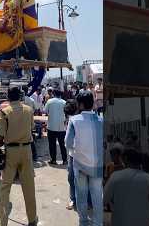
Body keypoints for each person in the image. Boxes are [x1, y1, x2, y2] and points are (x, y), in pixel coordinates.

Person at [0, 87, 38, 226]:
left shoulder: (5, 112)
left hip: (10, 152)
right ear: (20, 97)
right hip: (26, 150)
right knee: (29, 186)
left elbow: (0, 136)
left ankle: (3, 223)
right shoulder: (29, 110)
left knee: (4, 187)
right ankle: (32, 220)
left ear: (8, 97)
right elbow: (31, 128)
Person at [65, 91, 104, 226]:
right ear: (93, 104)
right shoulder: (101, 120)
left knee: (81, 195)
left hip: (80, 164)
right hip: (98, 165)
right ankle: (98, 223)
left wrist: (77, 150)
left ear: (80, 105)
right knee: (97, 196)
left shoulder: (74, 120)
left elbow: (68, 143)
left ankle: (83, 222)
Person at [104, 148, 149, 226]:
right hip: (144, 222)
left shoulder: (116, 176)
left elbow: (104, 200)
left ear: (126, 159)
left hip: (120, 222)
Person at [45, 89, 67, 165]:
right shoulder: (64, 102)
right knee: (62, 144)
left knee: (52, 144)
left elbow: (45, 111)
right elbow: (67, 113)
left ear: (53, 94)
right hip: (61, 127)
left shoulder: (49, 101)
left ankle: (53, 160)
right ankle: (65, 160)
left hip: (51, 126)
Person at [63, 100, 79, 211]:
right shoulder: (68, 120)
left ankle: (86, 200)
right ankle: (73, 199)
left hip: (80, 153)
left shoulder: (79, 120)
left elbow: (67, 142)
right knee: (71, 177)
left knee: (81, 178)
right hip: (72, 154)